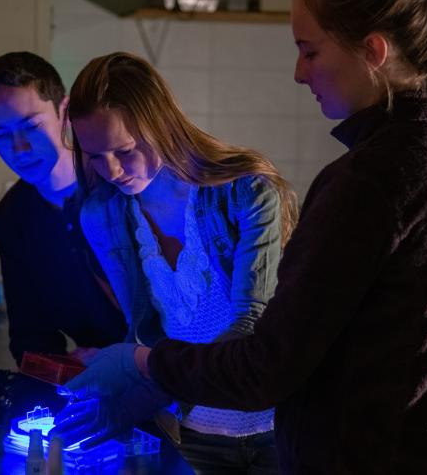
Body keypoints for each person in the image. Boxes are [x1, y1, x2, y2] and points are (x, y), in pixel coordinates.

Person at [64, 0, 427, 473]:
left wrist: (142, 365)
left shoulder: (368, 181)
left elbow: (266, 366)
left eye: (310, 51)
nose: (299, 73)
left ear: (373, 51)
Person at [53, 51, 299, 474]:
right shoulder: (104, 216)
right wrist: (117, 401)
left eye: (125, 150)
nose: (111, 170)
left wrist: (137, 393)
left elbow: (248, 329)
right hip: (194, 434)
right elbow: (143, 331)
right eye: (94, 156)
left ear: (161, 124)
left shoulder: (249, 193)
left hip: (281, 428)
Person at [0, 52, 126, 366]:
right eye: (0, 134)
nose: (19, 149)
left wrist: (125, 359)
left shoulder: (119, 184)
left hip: (169, 370)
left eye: (30, 127)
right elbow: (31, 335)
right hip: (96, 380)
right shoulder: (15, 217)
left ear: (64, 111)